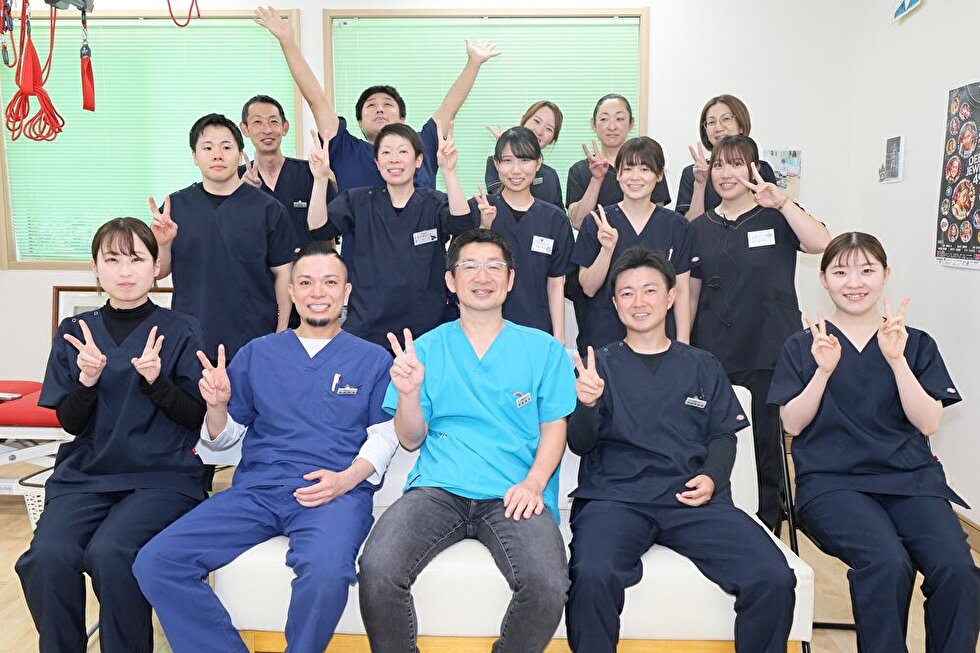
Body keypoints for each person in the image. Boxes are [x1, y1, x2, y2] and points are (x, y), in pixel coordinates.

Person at [133, 241, 399, 653]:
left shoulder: (372, 359)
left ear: (346, 292)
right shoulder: (258, 353)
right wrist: (216, 406)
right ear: (291, 291)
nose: (317, 292)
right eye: (305, 282)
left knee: (327, 573)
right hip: (258, 491)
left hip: (332, 493)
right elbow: (224, 437)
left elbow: (385, 435)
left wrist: (346, 480)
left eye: (330, 282)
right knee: (156, 562)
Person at [565, 246, 795, 653]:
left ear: (671, 297)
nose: (639, 302)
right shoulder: (597, 367)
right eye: (627, 293)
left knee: (773, 575)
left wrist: (712, 477)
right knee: (592, 572)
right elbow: (580, 444)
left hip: (691, 499)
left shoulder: (703, 365)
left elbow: (723, 435)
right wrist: (586, 404)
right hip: (617, 498)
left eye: (650, 290)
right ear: (615, 303)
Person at [357, 228, 577, 653]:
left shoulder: (543, 350)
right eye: (470, 266)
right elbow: (410, 439)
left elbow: (555, 428)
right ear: (451, 280)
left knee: (548, 583)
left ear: (510, 280)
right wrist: (408, 394)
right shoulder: (425, 349)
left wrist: (533, 484)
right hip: (439, 490)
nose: (482, 276)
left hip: (514, 493)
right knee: (378, 568)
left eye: (494, 266)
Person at [768, 232, 979, 653]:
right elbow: (792, 423)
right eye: (840, 272)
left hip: (910, 481)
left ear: (886, 275)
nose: (854, 282)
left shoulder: (914, 343)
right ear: (823, 279)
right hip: (833, 484)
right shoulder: (805, 345)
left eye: (866, 270)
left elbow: (928, 422)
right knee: (886, 562)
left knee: (958, 569)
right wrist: (823, 371)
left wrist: (897, 362)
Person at [16, 218, 206, 653]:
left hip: (162, 475)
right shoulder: (74, 333)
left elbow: (194, 416)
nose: (124, 271)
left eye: (136, 259)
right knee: (47, 557)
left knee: (111, 553)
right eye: (112, 259)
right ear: (95, 268)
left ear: (156, 267)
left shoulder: (181, 329)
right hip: (88, 475)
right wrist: (86, 381)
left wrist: (157, 382)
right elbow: (70, 422)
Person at [689, 134, 830, 532]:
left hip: (768, 349)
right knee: (717, 439)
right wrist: (684, 348)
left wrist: (783, 202)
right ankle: (719, 521)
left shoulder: (776, 215)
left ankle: (768, 525)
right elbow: (690, 293)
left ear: (753, 168)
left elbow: (822, 242)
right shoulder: (699, 227)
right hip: (714, 350)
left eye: (736, 164)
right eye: (718, 165)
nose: (725, 173)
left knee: (766, 443)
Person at [255, 6, 499, 192]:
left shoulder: (422, 144)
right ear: (360, 123)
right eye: (370, 106)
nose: (379, 109)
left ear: (402, 119)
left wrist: (473, 63)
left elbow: (450, 106)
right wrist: (287, 41)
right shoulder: (345, 149)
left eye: (388, 105)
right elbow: (315, 99)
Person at [149, 113, 299, 362]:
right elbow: (160, 271)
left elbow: (284, 274)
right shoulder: (175, 207)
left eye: (226, 147)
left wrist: (280, 331)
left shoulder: (269, 209)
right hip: (192, 338)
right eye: (207, 148)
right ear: (194, 156)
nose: (217, 155)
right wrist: (162, 244)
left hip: (254, 338)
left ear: (240, 154)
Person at [322, 120, 473, 350]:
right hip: (368, 328)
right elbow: (319, 229)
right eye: (386, 152)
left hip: (426, 331)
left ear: (418, 160)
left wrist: (449, 171)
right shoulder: (357, 201)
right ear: (377, 162)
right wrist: (319, 180)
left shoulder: (434, 203)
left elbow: (464, 228)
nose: (394, 159)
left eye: (403, 152)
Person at [573, 137, 695, 352]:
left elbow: (682, 289)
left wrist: (683, 345)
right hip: (605, 340)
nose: (635, 177)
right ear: (618, 174)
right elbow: (588, 288)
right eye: (628, 169)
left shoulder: (676, 226)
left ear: (659, 175)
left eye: (645, 169)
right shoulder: (597, 222)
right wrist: (606, 250)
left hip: (660, 342)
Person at [460, 126, 575, 341]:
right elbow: (464, 271)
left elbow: (555, 283)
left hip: (537, 332)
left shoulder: (554, 219)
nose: (516, 170)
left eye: (524, 160)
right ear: (496, 164)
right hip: (482, 333)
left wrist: (559, 339)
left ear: (538, 163)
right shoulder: (479, 209)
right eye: (507, 161)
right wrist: (484, 227)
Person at [238, 94, 339, 247]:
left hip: (307, 261)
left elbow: (329, 236)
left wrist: (323, 179)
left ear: (285, 127)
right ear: (245, 129)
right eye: (257, 122)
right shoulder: (237, 180)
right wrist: (241, 196)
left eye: (273, 121)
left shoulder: (312, 173)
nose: (267, 130)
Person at [566, 94, 671, 230]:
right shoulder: (579, 170)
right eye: (604, 119)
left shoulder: (649, 164)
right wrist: (596, 180)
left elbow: (659, 219)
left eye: (619, 119)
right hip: (596, 242)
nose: (612, 127)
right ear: (593, 124)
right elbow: (578, 223)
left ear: (631, 123)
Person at [676, 94, 778, 220]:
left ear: (741, 125)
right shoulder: (692, 173)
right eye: (711, 122)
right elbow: (688, 227)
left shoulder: (760, 169)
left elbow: (774, 215)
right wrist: (700, 184)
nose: (718, 128)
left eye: (726, 119)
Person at [484, 100, 565, 207]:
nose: (539, 131)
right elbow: (499, 202)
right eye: (536, 121)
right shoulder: (496, 163)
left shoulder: (550, 175)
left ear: (552, 140)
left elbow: (558, 213)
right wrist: (505, 147)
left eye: (549, 129)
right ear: (524, 120)